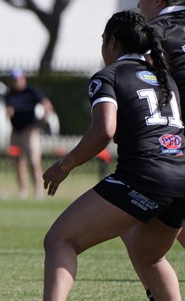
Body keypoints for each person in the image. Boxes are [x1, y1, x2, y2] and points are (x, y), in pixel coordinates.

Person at [42, 10, 185, 301]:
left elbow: (104, 131)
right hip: (181, 179)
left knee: (60, 240)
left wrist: (64, 165)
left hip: (145, 176)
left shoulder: (109, 76)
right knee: (148, 256)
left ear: (112, 42)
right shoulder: (164, 79)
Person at [130, 1, 185, 299]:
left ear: (158, 1)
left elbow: (140, 85)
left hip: (175, 150)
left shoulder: (154, 31)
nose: (138, 4)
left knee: (131, 220)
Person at [4, 67, 54, 199]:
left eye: (17, 79)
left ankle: (38, 190)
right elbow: (8, 109)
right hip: (16, 132)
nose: (15, 82)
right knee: (18, 162)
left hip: (30, 132)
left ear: (23, 78)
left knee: (34, 162)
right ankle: (23, 191)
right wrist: (8, 113)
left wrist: (42, 121)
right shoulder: (10, 93)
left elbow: (47, 105)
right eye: (13, 80)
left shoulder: (31, 90)